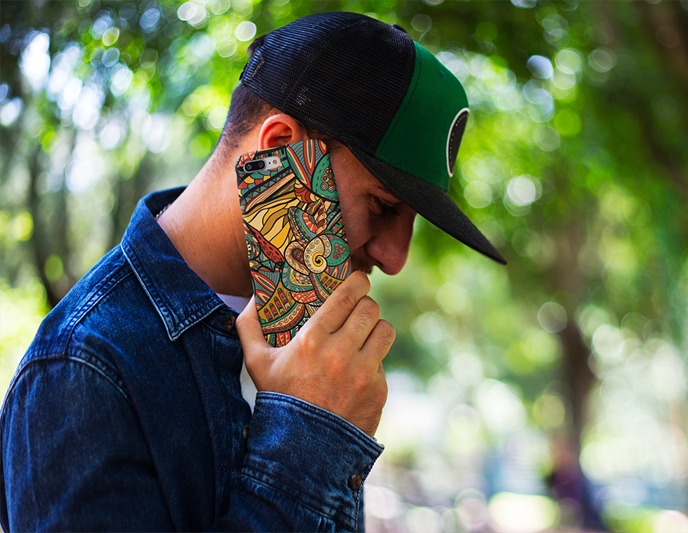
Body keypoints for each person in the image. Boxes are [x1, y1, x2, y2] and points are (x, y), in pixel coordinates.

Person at [0, 11, 505, 531]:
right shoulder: (82, 369)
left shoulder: (307, 343)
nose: (395, 258)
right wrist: (310, 432)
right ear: (280, 147)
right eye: (382, 205)